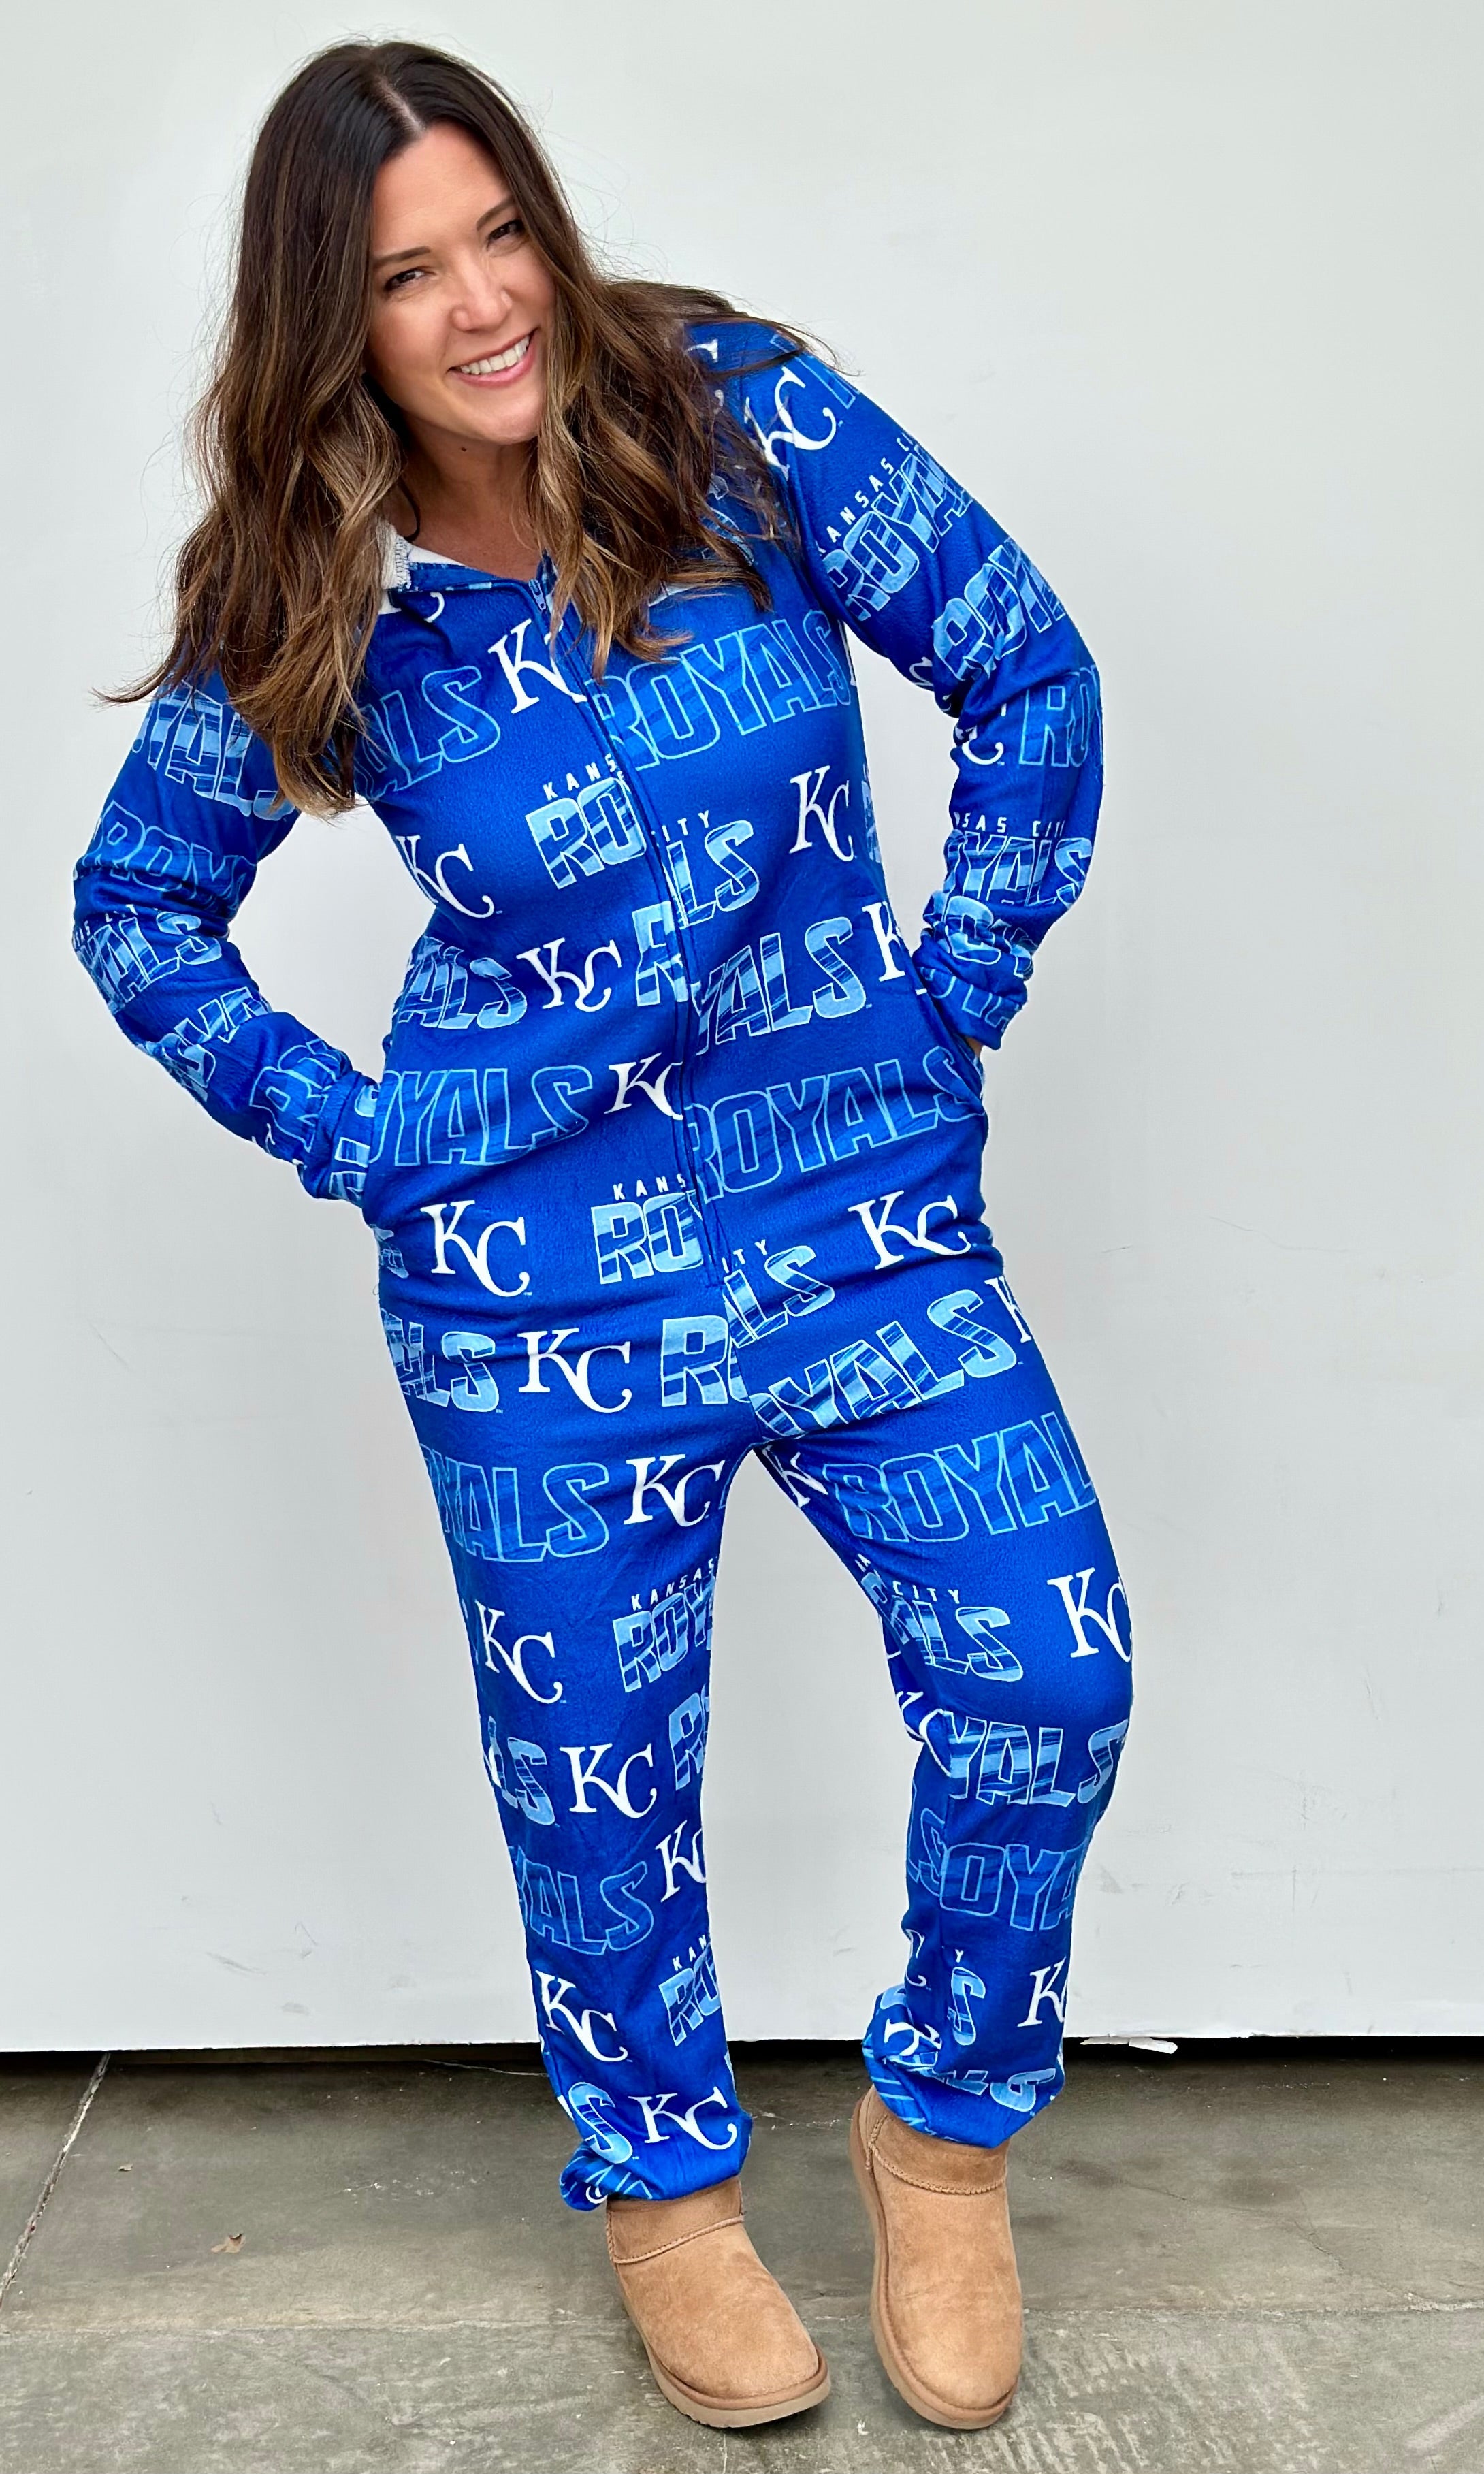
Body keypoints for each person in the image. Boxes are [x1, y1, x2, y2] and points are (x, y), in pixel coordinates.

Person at [73, 37, 1133, 2437]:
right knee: (595, 1780)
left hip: (858, 1219)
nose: (480, 307)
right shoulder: (310, 580)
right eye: (402, 276)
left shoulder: (731, 416)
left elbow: (1024, 662)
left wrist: (947, 996)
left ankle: (940, 2138)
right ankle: (661, 2189)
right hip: (534, 1280)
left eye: (498, 236)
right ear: (328, 324)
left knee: (1042, 1676)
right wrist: (367, 1136)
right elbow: (139, 905)